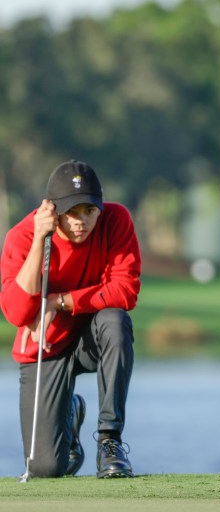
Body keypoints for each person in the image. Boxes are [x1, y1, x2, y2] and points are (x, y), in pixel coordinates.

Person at [0, 160, 142, 479]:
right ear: (53, 210)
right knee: (45, 468)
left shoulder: (116, 220)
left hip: (92, 336)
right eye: (72, 212)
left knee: (115, 321)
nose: (81, 221)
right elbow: (18, 313)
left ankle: (110, 442)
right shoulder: (22, 237)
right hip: (45, 347)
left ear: (99, 208)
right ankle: (71, 414)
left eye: (89, 211)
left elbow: (126, 290)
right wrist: (40, 239)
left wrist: (60, 301)